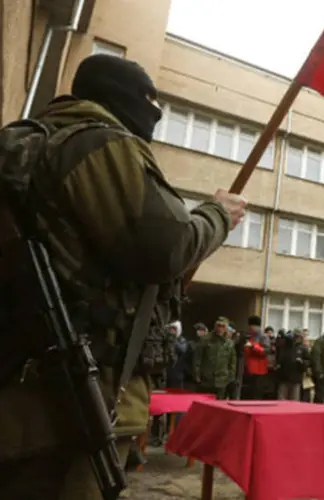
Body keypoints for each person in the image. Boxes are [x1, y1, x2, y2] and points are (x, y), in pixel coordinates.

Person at [0, 54, 246, 499]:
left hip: (26, 393)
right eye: (149, 106)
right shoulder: (99, 144)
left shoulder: (34, 149)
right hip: (72, 401)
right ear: (121, 99)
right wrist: (219, 216)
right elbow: (167, 246)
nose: (153, 118)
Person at [193, 317, 237, 399]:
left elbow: (232, 362)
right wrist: (196, 374)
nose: (220, 328)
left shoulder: (229, 343)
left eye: (223, 326)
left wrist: (230, 377)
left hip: (222, 380)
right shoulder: (205, 339)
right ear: (215, 326)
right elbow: (197, 358)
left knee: (218, 405)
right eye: (218, 326)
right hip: (206, 379)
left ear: (226, 328)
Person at [241, 316, 270, 400]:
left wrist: (253, 346)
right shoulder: (249, 336)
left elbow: (266, 351)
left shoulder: (263, 337)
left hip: (259, 370)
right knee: (247, 393)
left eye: (252, 326)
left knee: (256, 394)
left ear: (257, 326)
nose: (250, 328)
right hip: (249, 368)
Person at [276, 330, 310, 400]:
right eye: (295, 336)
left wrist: (302, 363)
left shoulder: (303, 348)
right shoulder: (283, 347)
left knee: (294, 400)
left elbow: (308, 361)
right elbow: (279, 360)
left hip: (296, 378)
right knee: (281, 399)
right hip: (284, 377)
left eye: (298, 337)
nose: (296, 338)